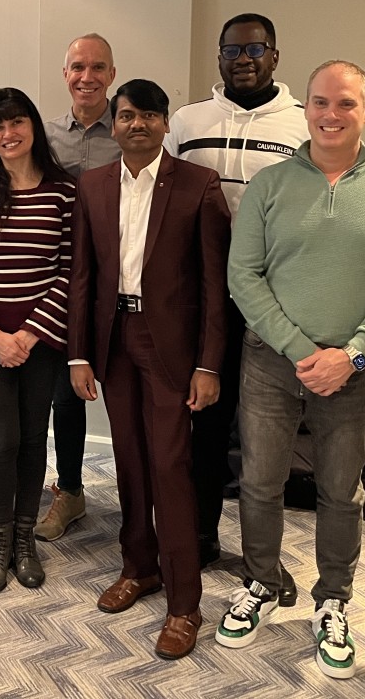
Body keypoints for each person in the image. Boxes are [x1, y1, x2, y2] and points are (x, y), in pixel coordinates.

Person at [221, 60, 365, 679]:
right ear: (304, 108)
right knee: (260, 482)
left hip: (352, 368)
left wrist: (352, 354)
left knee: (343, 491)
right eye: (319, 103)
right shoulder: (271, 185)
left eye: (344, 103)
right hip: (270, 362)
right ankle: (260, 582)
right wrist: (296, 348)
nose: (330, 115)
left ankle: (333, 599)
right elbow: (244, 276)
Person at [68, 79, 229, 660]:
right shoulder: (91, 186)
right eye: (127, 116)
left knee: (170, 466)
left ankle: (185, 602)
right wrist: (79, 353)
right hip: (112, 342)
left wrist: (209, 363)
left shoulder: (197, 184)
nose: (137, 125)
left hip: (173, 349)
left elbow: (216, 285)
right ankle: (139, 567)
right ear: (113, 124)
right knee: (130, 461)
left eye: (149, 116)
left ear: (166, 124)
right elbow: (82, 275)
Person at [166, 11, 308, 586]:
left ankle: (261, 559)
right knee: (203, 425)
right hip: (198, 298)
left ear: (276, 56)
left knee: (263, 436)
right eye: (232, 50)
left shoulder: (303, 126)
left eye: (255, 49)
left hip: (273, 300)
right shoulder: (188, 120)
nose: (243, 59)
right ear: (219, 58)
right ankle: (199, 535)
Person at [0, 87, 74, 595]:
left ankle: (25, 537)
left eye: (16, 122)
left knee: (31, 439)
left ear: (33, 126)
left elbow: (68, 271)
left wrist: (27, 334)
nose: (7, 134)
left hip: (40, 341)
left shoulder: (63, 192)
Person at [38, 33, 121, 543]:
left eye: (97, 67)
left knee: (131, 394)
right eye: (76, 67)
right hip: (65, 282)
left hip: (124, 281)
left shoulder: (135, 130)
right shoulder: (45, 138)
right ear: (64, 73)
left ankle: (139, 492)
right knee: (65, 396)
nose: (86, 77)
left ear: (112, 74)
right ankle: (69, 491)